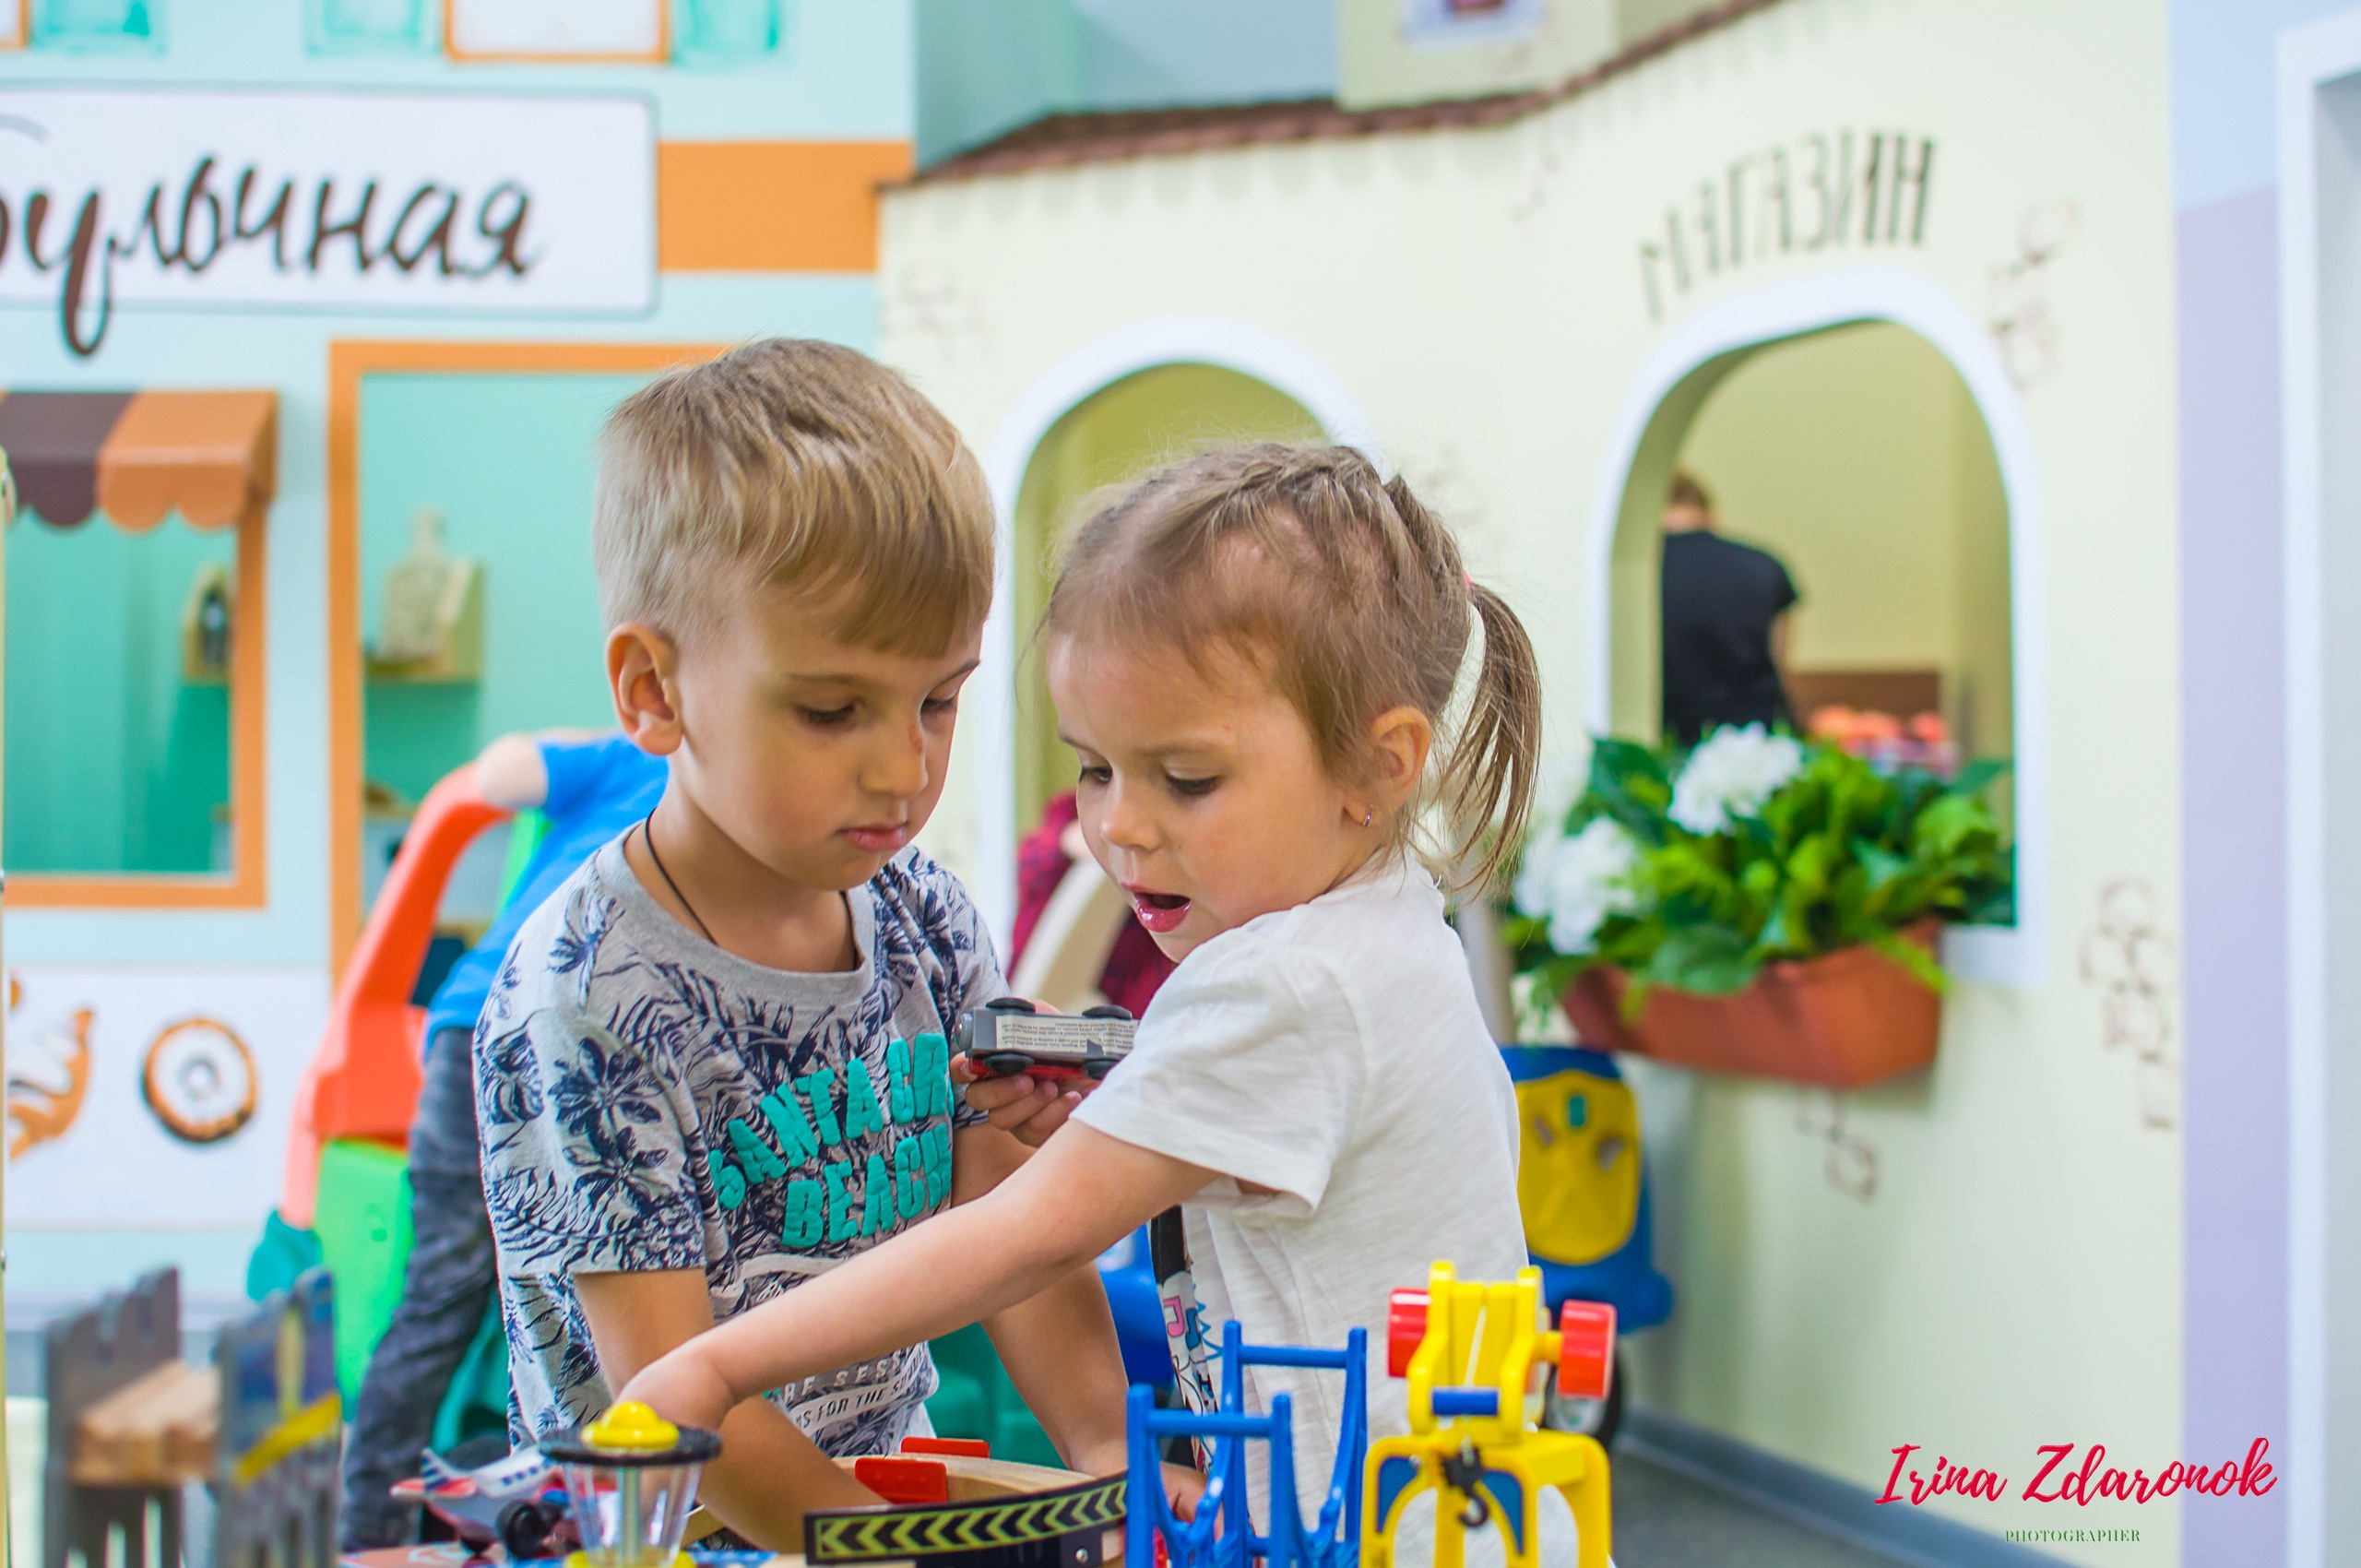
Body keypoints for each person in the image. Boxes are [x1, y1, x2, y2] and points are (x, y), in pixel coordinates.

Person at [620, 444, 1544, 1551]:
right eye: (1096, 768)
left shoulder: (1279, 982)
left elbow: (1021, 1234)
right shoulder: (1392, 918)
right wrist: (1140, 1093)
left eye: (1187, 779)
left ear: (1380, 764)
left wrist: (720, 1362)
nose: (1120, 827)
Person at [471, 339, 1133, 1550]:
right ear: (653, 691)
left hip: (882, 1505)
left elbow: (1014, 1225)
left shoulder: (923, 917)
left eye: (939, 699)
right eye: (833, 710)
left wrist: (1113, 1462)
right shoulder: (583, 1002)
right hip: (662, 1533)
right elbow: (664, 1390)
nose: (905, 766)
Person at [339, 728, 666, 1549]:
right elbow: (497, 774)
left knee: (542, 1293)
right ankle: (368, 1536)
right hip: (500, 1021)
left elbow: (499, 773)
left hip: (573, 1032)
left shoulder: (636, 766)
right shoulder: (637, 760)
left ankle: (532, 1520)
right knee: (457, 1293)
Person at [1658, 469, 1799, 745]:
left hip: (1667, 743)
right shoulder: (1766, 566)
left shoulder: (1640, 575)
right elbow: (1780, 662)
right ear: (1709, 513)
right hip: (1755, 740)